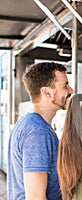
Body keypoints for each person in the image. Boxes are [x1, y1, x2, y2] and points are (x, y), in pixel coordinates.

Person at [7, 62, 74, 200]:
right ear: (46, 92)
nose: (71, 90)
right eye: (65, 86)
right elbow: (36, 197)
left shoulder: (31, 124)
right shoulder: (37, 132)